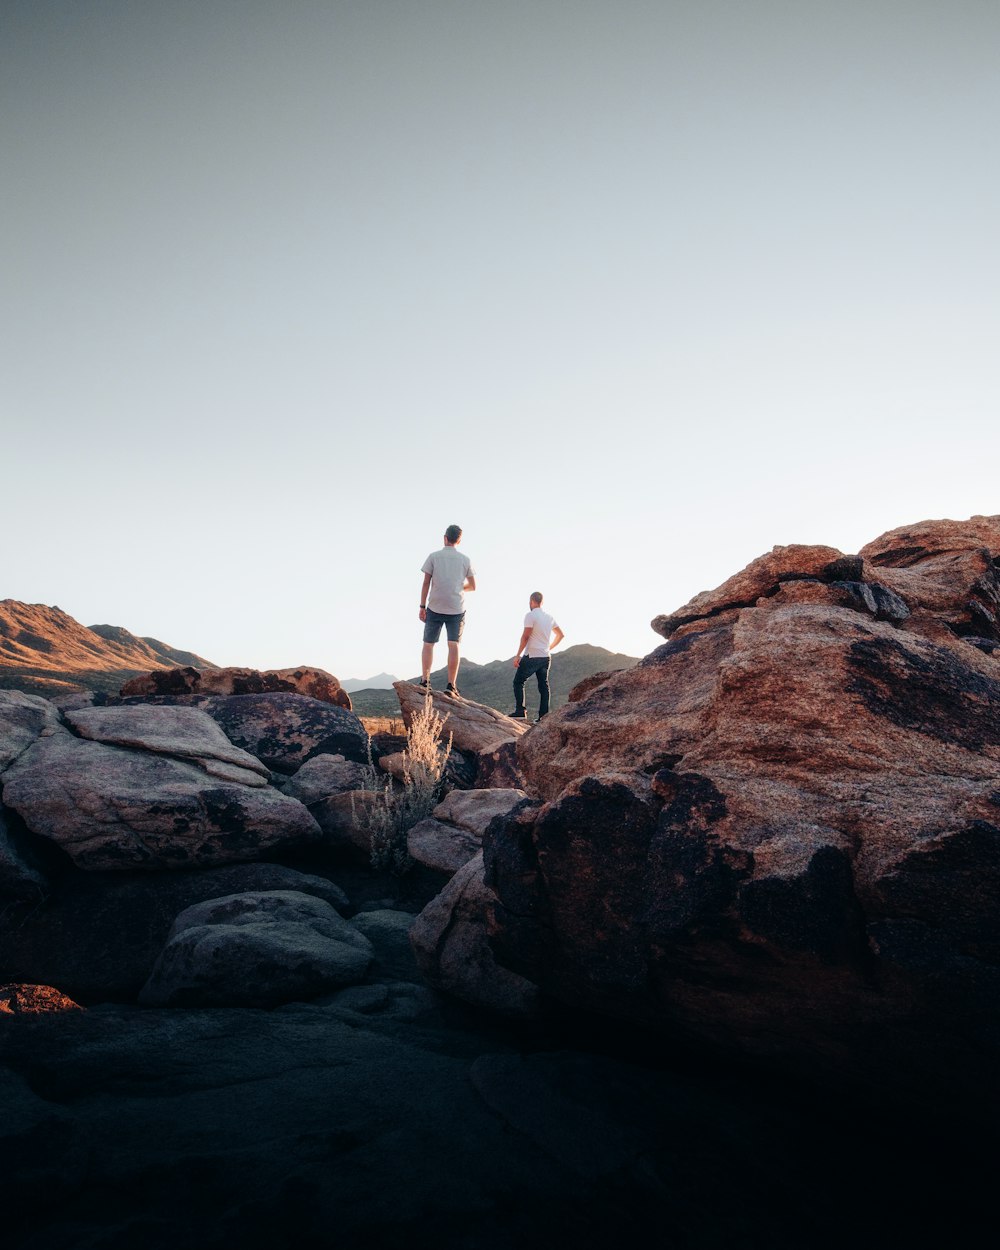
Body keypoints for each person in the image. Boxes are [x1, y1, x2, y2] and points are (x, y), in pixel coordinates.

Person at [419, 524, 476, 697]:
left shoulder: (434, 557)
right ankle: (451, 685)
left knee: (429, 644)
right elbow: (473, 586)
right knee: (454, 645)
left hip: (435, 605)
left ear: (445, 538)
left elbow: (426, 583)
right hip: (456, 608)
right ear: (459, 540)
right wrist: (459, 588)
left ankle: (425, 680)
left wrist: (422, 606)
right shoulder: (465, 559)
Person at [510, 591, 564, 720]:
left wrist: (517, 655)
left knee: (518, 682)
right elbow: (561, 635)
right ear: (542, 602)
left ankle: (520, 712)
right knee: (543, 686)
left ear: (532, 601)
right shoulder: (549, 617)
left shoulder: (530, 615)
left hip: (532, 655)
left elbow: (526, 636)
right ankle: (543, 717)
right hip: (546, 657)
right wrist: (549, 648)